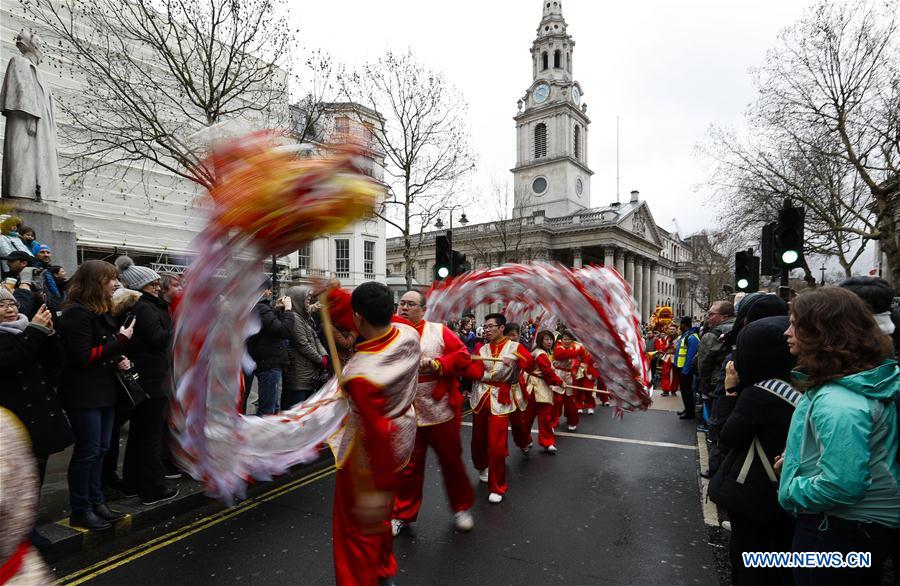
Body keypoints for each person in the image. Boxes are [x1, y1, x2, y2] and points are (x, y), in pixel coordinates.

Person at [777, 287, 899, 585]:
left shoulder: (838, 401)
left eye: (795, 323)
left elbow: (843, 484)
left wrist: (791, 488)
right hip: (856, 526)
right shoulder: (852, 385)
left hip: (838, 529)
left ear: (822, 331)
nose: (786, 332)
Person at [321, 281, 420, 586]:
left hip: (369, 458)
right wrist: (335, 297)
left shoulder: (361, 373)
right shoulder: (408, 333)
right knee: (378, 523)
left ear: (359, 318)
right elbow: (366, 318)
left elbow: (376, 429)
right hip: (403, 436)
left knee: (354, 533)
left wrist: (377, 488)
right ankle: (383, 569)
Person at [707, 316, 797, 586]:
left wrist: (731, 392)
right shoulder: (800, 384)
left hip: (757, 496)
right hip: (783, 496)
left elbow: (724, 435)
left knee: (750, 565)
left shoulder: (760, 394)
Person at [391, 290, 474, 536]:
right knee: (408, 467)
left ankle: (461, 508)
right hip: (406, 411)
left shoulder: (439, 331)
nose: (404, 308)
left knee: (451, 462)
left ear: (423, 309)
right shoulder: (391, 334)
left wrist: (439, 363)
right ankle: (403, 514)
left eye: (410, 304)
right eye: (401, 304)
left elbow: (463, 356)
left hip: (440, 411)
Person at [58, 260, 134, 530]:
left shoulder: (101, 312)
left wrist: (119, 357)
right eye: (110, 279)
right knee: (88, 452)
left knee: (101, 449)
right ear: (94, 282)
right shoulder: (76, 314)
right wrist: (121, 341)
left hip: (103, 391)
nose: (116, 284)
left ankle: (97, 502)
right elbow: (83, 357)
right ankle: (81, 508)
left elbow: (103, 351)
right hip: (84, 394)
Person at [115, 256, 178, 506]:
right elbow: (157, 339)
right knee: (150, 435)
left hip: (147, 377)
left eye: (155, 283)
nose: (156, 286)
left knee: (140, 434)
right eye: (151, 284)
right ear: (140, 286)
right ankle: (151, 488)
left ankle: (132, 483)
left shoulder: (143, 306)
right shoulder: (145, 307)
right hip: (152, 379)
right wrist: (178, 329)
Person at [0, 288, 73, 489]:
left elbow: (56, 361)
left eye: (13, 304)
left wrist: (48, 333)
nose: (10, 309)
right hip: (12, 418)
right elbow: (10, 362)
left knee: (36, 471)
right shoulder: (30, 331)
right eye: (2, 305)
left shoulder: (28, 329)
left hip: (40, 411)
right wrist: (35, 331)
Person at [461, 313, 533, 504]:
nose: (487, 329)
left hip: (501, 398)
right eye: (485, 326)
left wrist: (518, 361)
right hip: (481, 395)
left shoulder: (515, 347)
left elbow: (531, 365)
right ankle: (481, 466)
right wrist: (466, 364)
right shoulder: (480, 348)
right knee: (477, 440)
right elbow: (473, 371)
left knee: (497, 444)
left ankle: (497, 486)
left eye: (491, 326)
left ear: (502, 328)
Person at [244, 277, 294, 415]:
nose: (270, 293)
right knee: (268, 411)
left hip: (266, 362)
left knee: (271, 408)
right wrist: (289, 310)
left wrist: (276, 310)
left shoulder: (256, 308)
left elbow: (269, 329)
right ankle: (264, 436)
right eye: (268, 289)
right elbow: (284, 331)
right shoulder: (260, 308)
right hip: (269, 363)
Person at [519, 329, 565, 453]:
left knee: (543, 417)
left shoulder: (539, 352)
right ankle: (529, 441)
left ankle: (544, 441)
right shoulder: (540, 354)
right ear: (541, 340)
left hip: (538, 386)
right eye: (546, 339)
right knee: (531, 417)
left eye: (551, 339)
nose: (549, 342)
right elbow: (548, 372)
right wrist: (559, 381)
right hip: (536, 387)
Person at [281, 285, 327, 409]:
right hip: (300, 372)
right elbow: (303, 344)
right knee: (298, 408)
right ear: (297, 299)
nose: (309, 302)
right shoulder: (295, 318)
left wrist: (323, 354)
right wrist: (319, 359)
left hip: (308, 371)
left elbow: (315, 337)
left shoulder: (304, 316)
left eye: (309, 299)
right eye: (306, 299)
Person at [698, 301, 735, 423]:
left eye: (712, 314)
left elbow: (704, 363)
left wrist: (704, 388)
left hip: (717, 383)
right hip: (737, 384)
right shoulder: (743, 328)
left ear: (725, 316)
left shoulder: (712, 334)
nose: (708, 317)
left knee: (715, 419)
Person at [552, 331, 584, 431]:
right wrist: (579, 352)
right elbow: (563, 355)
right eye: (565, 339)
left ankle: (572, 421)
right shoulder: (558, 348)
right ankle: (553, 423)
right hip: (558, 376)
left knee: (570, 401)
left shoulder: (575, 347)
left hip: (570, 377)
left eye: (569, 339)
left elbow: (581, 357)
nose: (567, 341)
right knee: (557, 401)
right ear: (561, 340)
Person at [675, 316, 701, 420]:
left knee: (687, 392)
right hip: (681, 367)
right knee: (685, 391)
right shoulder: (686, 335)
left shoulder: (692, 337)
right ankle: (687, 409)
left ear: (683, 324)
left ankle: (690, 412)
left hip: (686, 370)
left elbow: (691, 355)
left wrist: (685, 370)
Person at [659, 324, 679, 396]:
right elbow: (663, 347)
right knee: (665, 374)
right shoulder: (666, 337)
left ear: (676, 330)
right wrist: (665, 347)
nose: (671, 331)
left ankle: (673, 390)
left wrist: (673, 347)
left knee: (675, 374)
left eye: (673, 329)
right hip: (667, 357)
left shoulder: (679, 338)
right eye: (670, 329)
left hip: (675, 357)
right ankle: (665, 390)